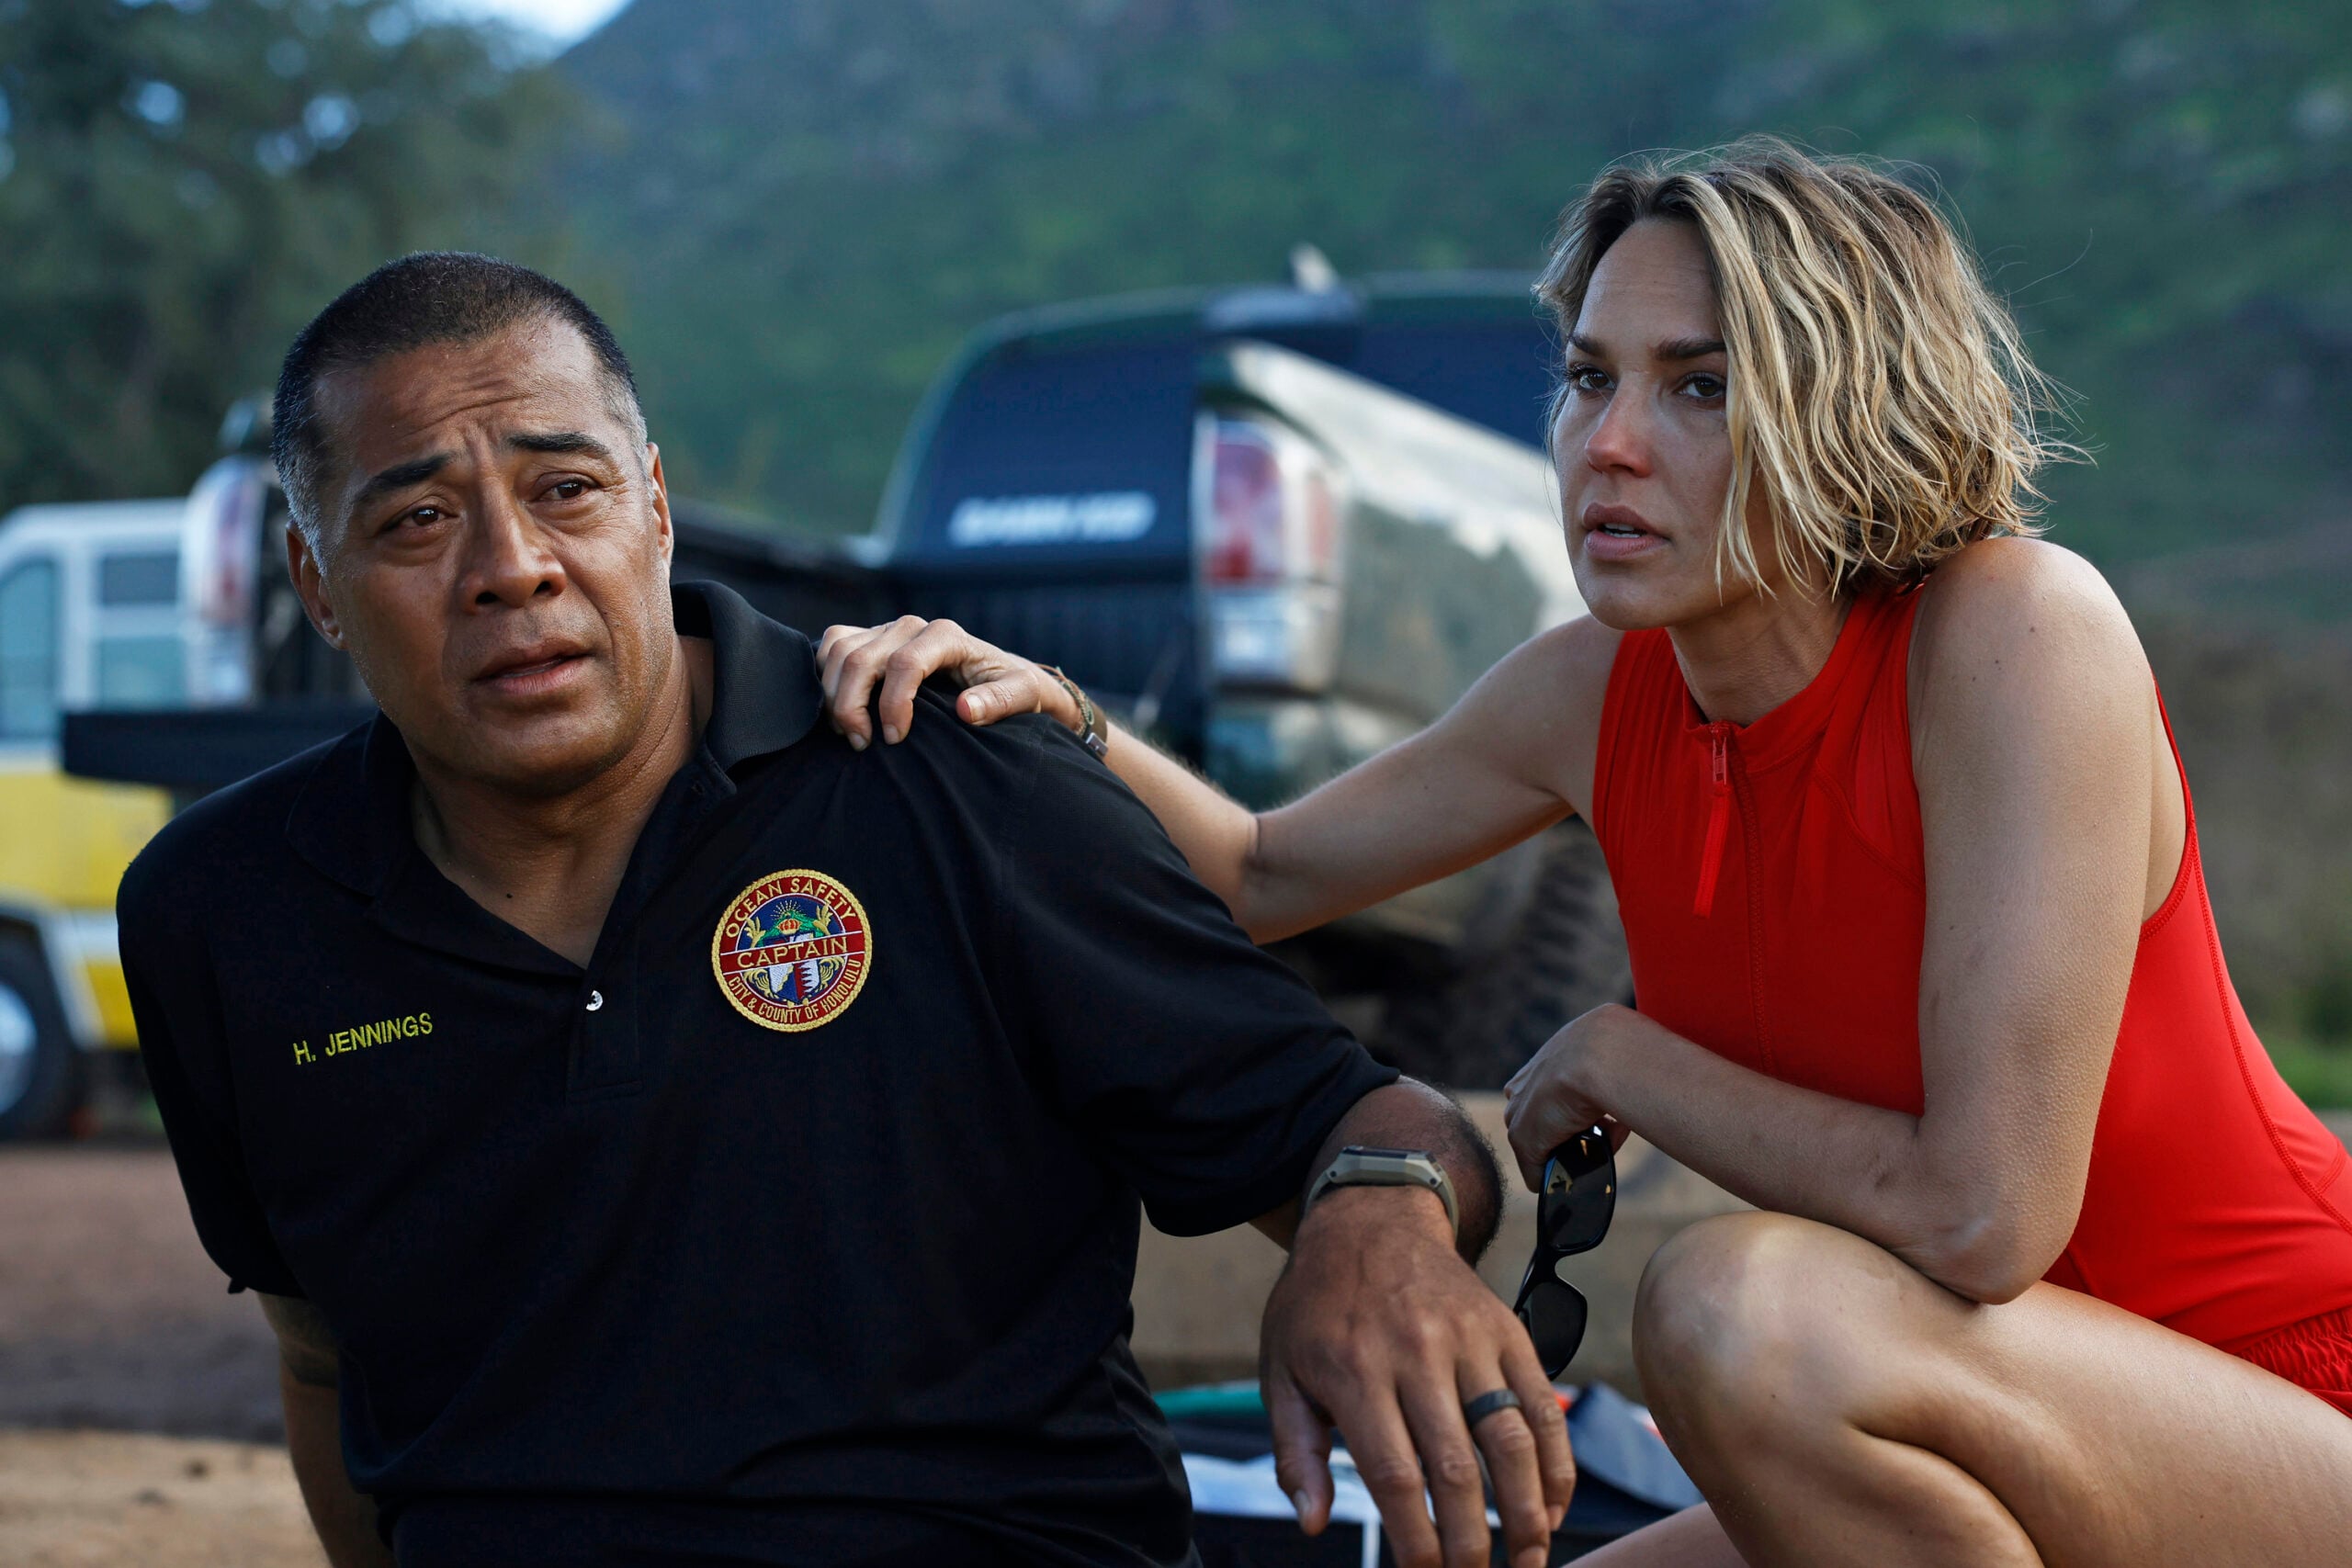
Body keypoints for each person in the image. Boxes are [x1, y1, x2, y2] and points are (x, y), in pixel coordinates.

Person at [820, 140, 2352, 1565]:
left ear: (1849, 402)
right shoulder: (1592, 692)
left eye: (1697, 389)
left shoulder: (2015, 633)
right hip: (1969, 1427)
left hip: (2283, 1403)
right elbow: (1262, 875)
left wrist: (1626, 1061)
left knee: (1734, 1310)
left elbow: (1983, 1215)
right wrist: (1039, 706)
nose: (1607, 446)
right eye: (1586, 378)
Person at [119, 253, 1579, 1568]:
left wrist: (1373, 1222)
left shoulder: (948, 781)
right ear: (315, 582)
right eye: (421, 518)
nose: (513, 567)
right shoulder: (225, 913)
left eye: (566, 489)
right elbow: (321, 1357)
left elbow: (1371, 1123)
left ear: (658, 509)